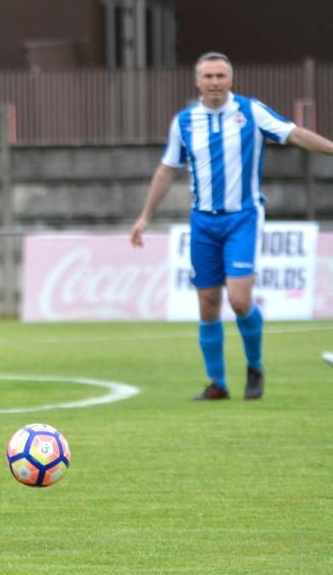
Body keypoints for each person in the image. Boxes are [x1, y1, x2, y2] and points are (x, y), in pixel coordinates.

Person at [131, 52, 333, 401]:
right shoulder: (184, 122)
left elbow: (295, 134)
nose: (214, 82)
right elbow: (167, 169)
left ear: (230, 79)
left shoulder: (250, 112)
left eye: (220, 75)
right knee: (208, 301)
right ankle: (217, 383)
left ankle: (254, 367)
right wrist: (145, 216)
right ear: (197, 81)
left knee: (239, 300)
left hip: (243, 217)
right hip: (203, 221)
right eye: (208, 76)